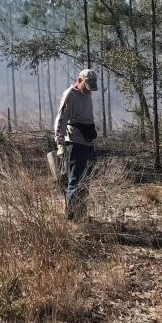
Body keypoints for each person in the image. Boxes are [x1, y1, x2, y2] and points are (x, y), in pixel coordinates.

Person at [54, 68, 98, 220]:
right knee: (74, 180)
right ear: (79, 81)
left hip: (88, 143)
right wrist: (60, 144)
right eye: (86, 86)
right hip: (74, 143)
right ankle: (71, 218)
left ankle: (81, 214)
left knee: (86, 181)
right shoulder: (70, 95)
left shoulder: (88, 94)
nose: (89, 90)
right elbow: (61, 120)